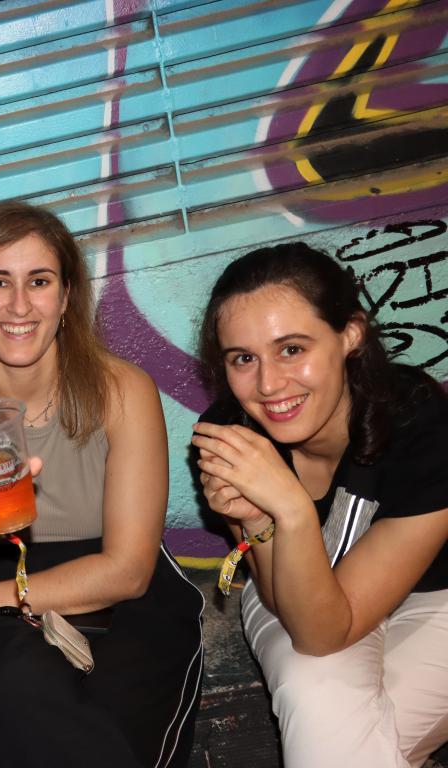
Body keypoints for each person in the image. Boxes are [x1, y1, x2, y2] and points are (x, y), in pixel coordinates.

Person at [0, 201, 204, 768]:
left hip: (115, 595)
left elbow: (129, 572)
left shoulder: (124, 390)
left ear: (66, 296)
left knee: (114, 727)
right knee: (22, 691)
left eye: (39, 281)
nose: (19, 305)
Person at [193, 242, 448, 768]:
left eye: (291, 349)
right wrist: (257, 518)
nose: (268, 384)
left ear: (350, 334)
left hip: (435, 595)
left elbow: (328, 631)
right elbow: (309, 626)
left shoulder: (422, 425)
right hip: (291, 593)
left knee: (338, 742)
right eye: (244, 358)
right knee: (318, 693)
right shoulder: (230, 436)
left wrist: (287, 506)